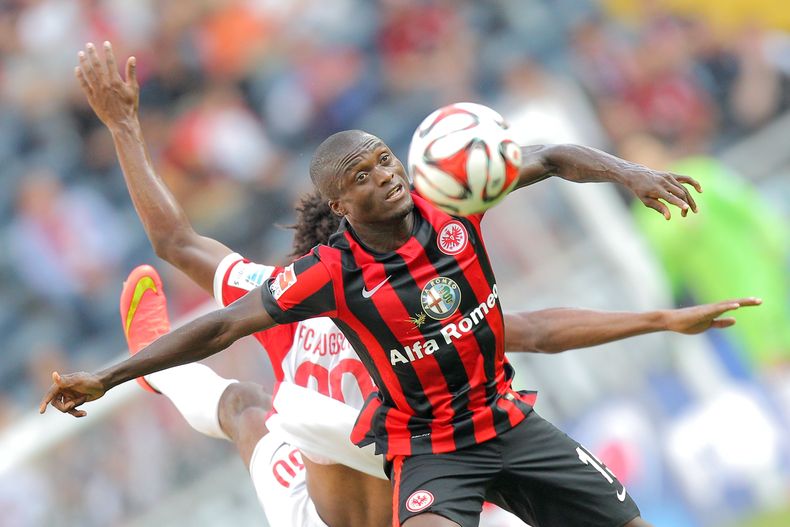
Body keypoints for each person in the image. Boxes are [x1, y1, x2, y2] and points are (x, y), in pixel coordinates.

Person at [42, 42, 757, 527]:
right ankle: (156, 376)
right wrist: (113, 373)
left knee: (259, 408)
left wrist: (657, 302)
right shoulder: (300, 286)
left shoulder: (425, 236)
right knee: (260, 408)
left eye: (388, 169)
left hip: (442, 467)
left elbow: (181, 244)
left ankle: (155, 376)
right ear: (341, 232)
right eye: (365, 185)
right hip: (330, 505)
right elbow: (208, 300)